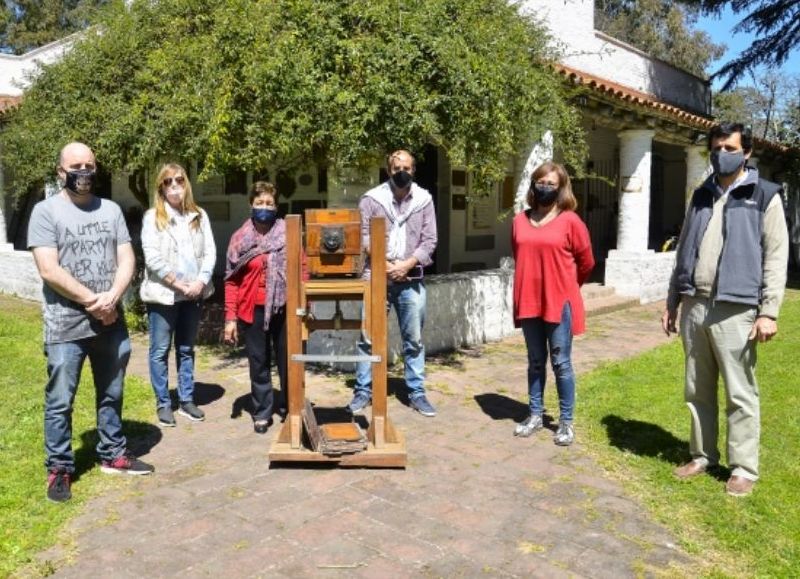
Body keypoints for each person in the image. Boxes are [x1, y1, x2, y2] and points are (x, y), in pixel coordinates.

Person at [662, 122, 788, 497]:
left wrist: (769, 311)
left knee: (740, 392)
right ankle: (702, 455)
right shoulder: (701, 194)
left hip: (737, 310)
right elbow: (684, 247)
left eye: (730, 147)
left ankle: (744, 467)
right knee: (696, 388)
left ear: (746, 152)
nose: (722, 153)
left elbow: (776, 256)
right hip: (695, 305)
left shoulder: (764, 194)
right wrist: (673, 300)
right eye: (716, 147)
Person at [27, 142, 154, 503]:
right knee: (60, 400)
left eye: (89, 165)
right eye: (75, 166)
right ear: (60, 172)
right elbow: (48, 269)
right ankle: (60, 469)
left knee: (111, 393)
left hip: (111, 321)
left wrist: (112, 296)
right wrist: (94, 302)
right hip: (65, 325)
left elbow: (126, 256)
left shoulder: (111, 209)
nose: (83, 172)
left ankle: (113, 453)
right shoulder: (45, 212)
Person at [348, 149, 439, 417]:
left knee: (414, 339)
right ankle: (363, 390)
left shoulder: (424, 200)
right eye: (397, 167)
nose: (402, 172)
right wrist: (386, 266)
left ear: (413, 171)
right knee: (368, 338)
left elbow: (430, 240)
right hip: (376, 277)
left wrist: (407, 264)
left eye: (407, 168)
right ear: (389, 170)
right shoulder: (372, 200)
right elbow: (363, 237)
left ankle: (416, 392)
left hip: (410, 278)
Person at [511, 162, 594, 446]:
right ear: (533, 184)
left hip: (559, 302)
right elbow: (520, 254)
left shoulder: (571, 221)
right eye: (540, 181)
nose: (544, 187)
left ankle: (566, 422)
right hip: (529, 299)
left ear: (561, 188)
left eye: (551, 183)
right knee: (535, 361)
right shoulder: (520, 221)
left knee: (561, 363)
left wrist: (568, 285)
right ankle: (534, 414)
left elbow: (586, 262)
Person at [140, 163, 216, 427]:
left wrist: (201, 281)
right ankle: (163, 403)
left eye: (179, 180)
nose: (174, 186)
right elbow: (152, 257)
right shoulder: (152, 217)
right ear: (160, 187)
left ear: (186, 184)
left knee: (186, 349)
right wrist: (179, 284)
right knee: (160, 351)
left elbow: (210, 253)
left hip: (192, 294)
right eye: (168, 182)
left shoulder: (199, 215)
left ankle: (186, 399)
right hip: (164, 295)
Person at [224, 182, 289, 434]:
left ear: (276, 206)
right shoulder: (240, 239)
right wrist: (230, 317)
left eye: (269, 203)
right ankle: (262, 411)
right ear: (251, 204)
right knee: (258, 361)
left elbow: (302, 269)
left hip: (284, 307)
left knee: (288, 361)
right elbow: (231, 280)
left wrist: (308, 305)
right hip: (253, 309)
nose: (264, 207)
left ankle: (290, 405)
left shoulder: (289, 233)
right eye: (259, 203)